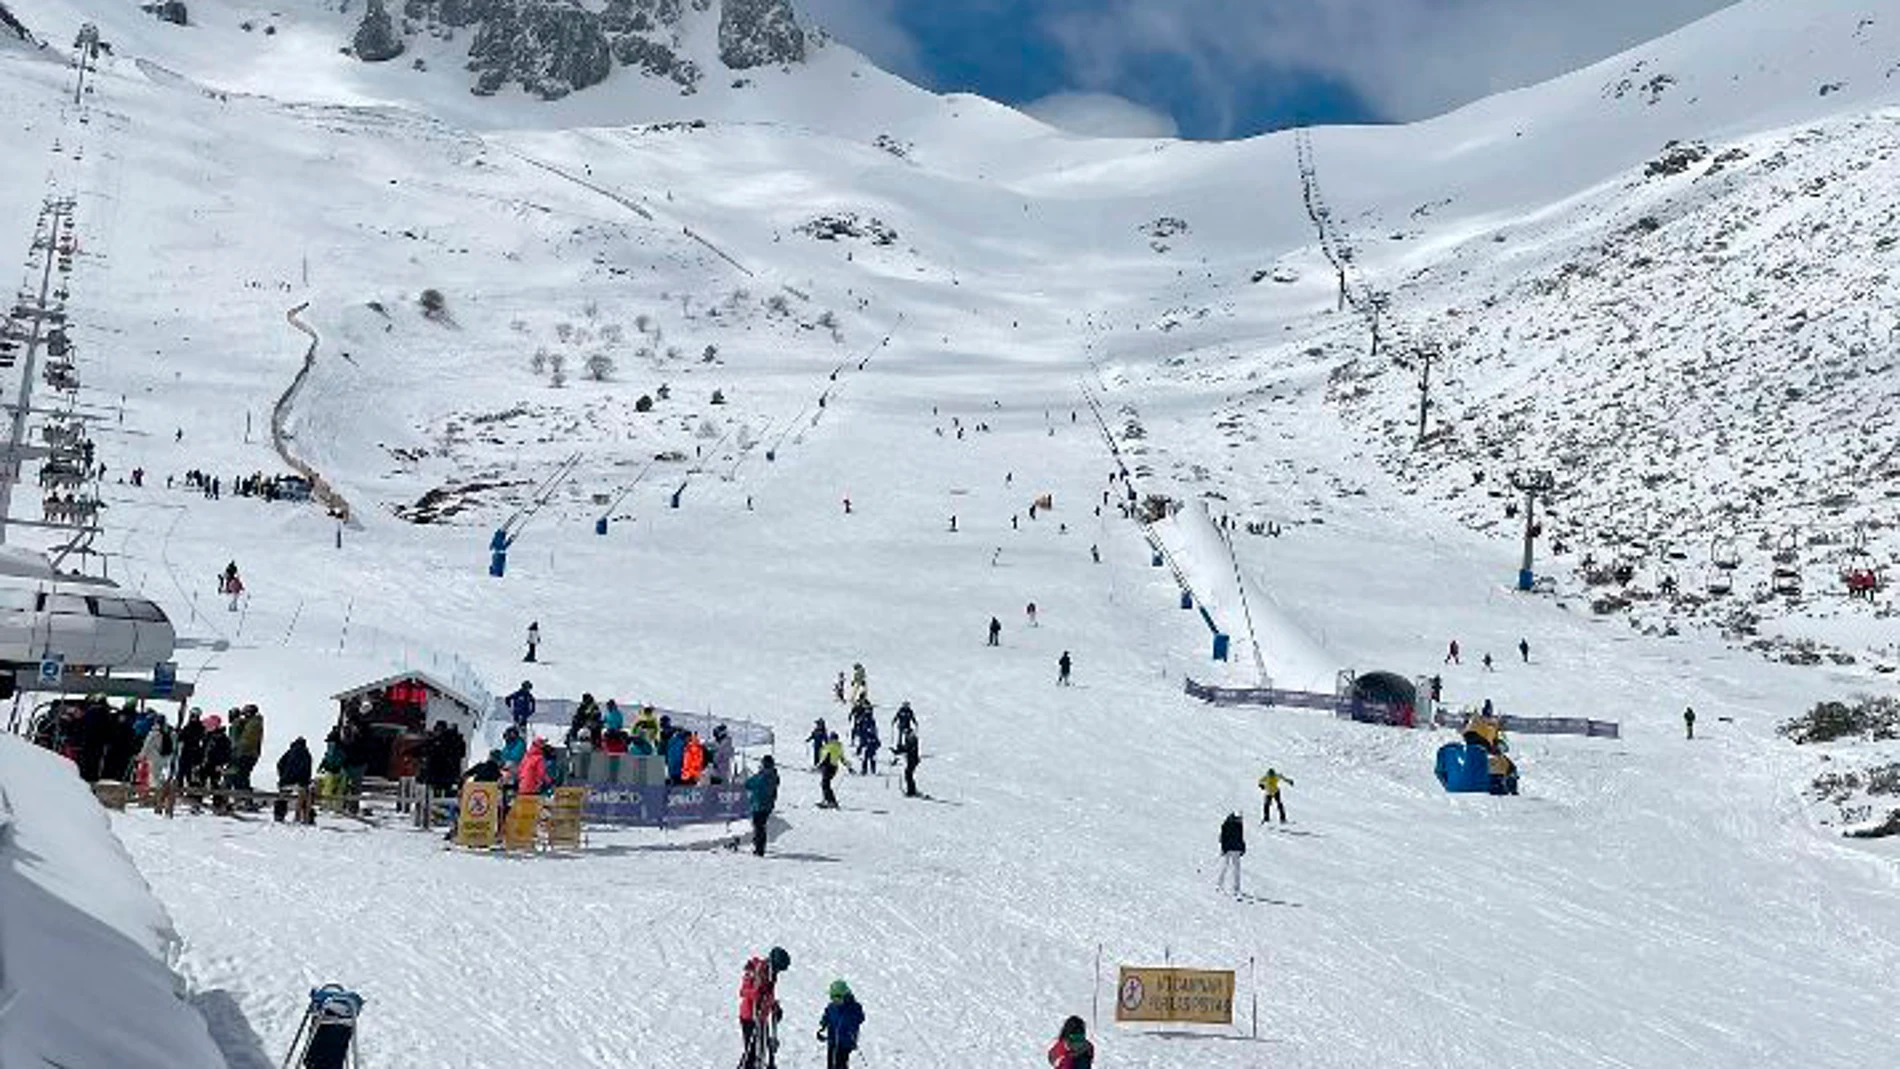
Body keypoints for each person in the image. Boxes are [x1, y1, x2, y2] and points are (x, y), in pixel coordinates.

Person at [739, 947, 791, 1068]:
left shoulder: (771, 974)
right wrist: (755, 993)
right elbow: (743, 991)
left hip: (762, 1016)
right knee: (751, 1052)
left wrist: (774, 1006)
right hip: (749, 1017)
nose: (778, 972)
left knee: (764, 1049)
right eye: (778, 968)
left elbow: (769, 993)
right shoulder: (755, 971)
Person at [817, 980, 865, 1069]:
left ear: (845, 996)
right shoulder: (831, 1007)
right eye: (832, 997)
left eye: (837, 998)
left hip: (846, 1041)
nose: (834, 1001)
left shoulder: (854, 1007)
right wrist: (823, 1026)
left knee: (840, 1063)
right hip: (833, 1039)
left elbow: (860, 1018)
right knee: (831, 1062)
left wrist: (852, 1019)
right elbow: (826, 1016)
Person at [745, 755, 780, 856]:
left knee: (759, 826)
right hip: (765, 805)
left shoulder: (764, 777)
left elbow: (750, 784)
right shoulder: (772, 775)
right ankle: (757, 843)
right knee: (759, 825)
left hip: (760, 805)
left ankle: (759, 848)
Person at [1217, 812, 1245, 899]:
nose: (1240, 820)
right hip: (1228, 849)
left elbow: (1240, 837)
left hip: (1236, 849)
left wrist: (1242, 848)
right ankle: (1219, 884)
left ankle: (1236, 889)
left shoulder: (1239, 824)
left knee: (1236, 869)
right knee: (1225, 866)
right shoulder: (1227, 824)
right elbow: (1223, 837)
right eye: (1238, 818)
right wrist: (1223, 849)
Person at [818, 733, 847, 808]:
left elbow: (826, 757)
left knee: (825, 784)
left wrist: (820, 765)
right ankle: (828, 800)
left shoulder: (830, 746)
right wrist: (847, 765)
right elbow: (842, 757)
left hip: (828, 767)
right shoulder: (839, 747)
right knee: (826, 784)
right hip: (834, 767)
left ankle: (831, 801)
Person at [894, 730, 921, 798]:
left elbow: (908, 748)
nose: (905, 735)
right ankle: (912, 790)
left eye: (906, 734)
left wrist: (900, 749)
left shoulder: (912, 739)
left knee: (908, 774)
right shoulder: (911, 738)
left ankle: (911, 791)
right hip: (911, 759)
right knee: (909, 774)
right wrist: (898, 750)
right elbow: (907, 748)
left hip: (913, 759)